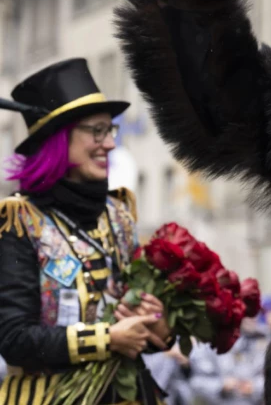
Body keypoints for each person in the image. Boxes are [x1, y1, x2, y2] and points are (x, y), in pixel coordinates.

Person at [0, 59, 172, 404]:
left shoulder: (120, 214)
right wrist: (106, 339)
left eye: (111, 130)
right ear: (58, 140)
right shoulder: (20, 219)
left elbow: (133, 329)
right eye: (96, 131)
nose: (109, 144)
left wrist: (158, 329)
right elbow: (15, 340)